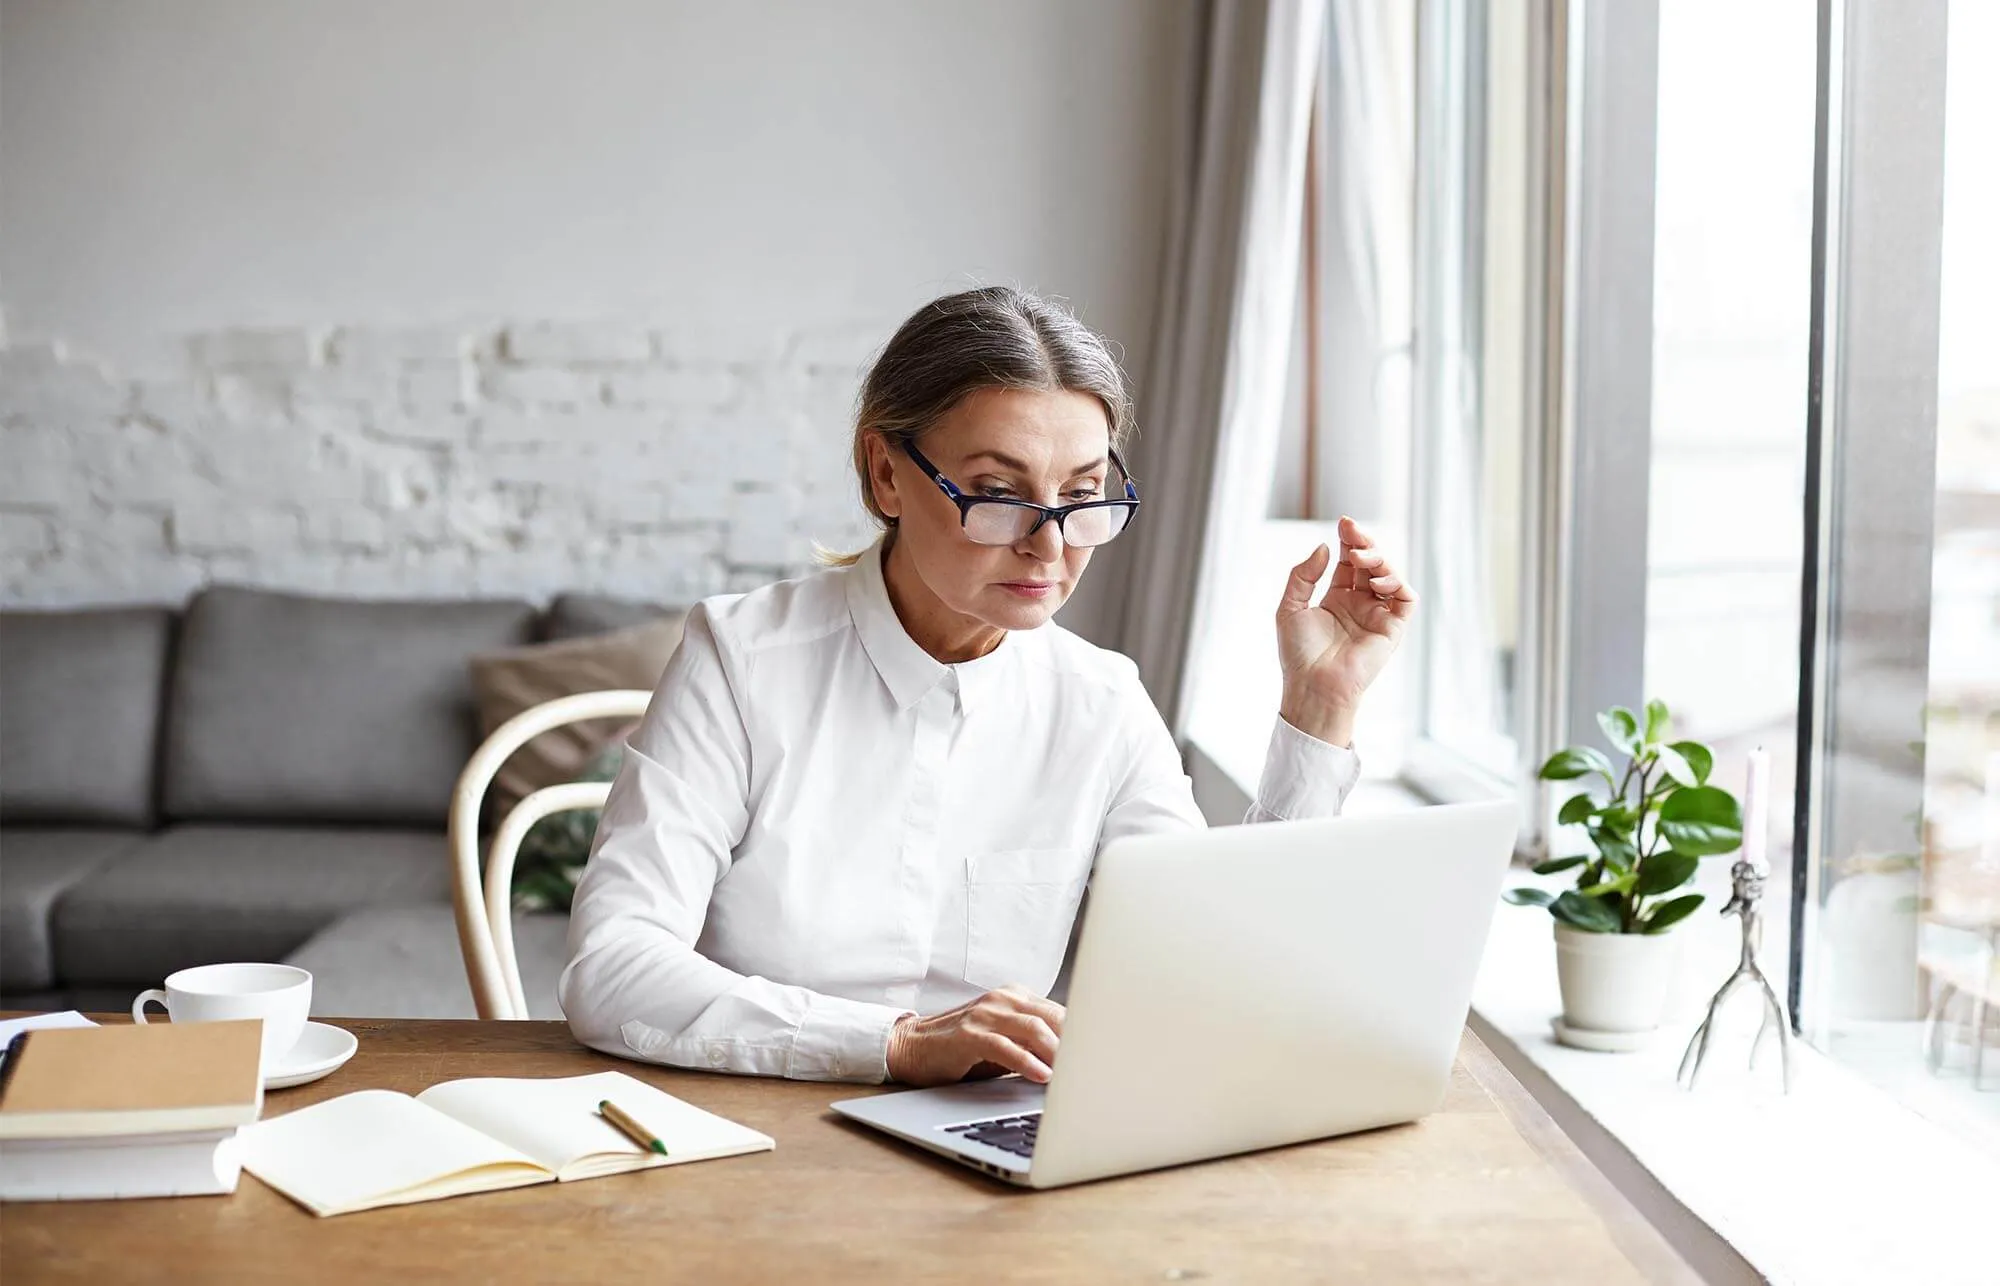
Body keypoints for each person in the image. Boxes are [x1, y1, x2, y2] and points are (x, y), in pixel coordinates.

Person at [560, 286, 1416, 1086]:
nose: (1050, 548)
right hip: (760, 1134)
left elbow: (1215, 976)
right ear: (887, 474)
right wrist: (893, 1044)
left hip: (991, 1158)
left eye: (1082, 495)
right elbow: (614, 966)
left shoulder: (1102, 702)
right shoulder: (742, 659)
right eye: (999, 494)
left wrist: (1320, 706)